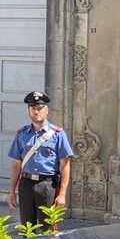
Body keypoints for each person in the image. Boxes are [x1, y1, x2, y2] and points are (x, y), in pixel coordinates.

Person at [7, 90, 74, 227]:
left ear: (46, 110)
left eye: (39, 108)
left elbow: (65, 166)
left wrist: (62, 194)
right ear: (29, 111)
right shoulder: (22, 134)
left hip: (47, 185)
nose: (36, 112)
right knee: (27, 228)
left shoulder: (58, 134)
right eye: (33, 108)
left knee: (49, 228)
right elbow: (16, 164)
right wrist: (12, 191)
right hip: (26, 185)